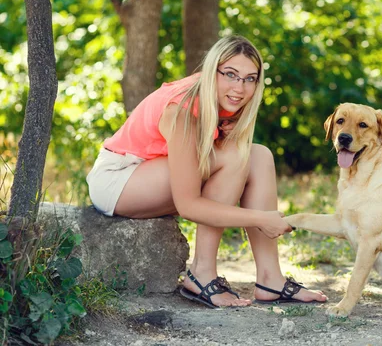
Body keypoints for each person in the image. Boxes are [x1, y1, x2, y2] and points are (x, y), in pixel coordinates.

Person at [86, 35, 327, 308]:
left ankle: (271, 278)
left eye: (250, 78)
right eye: (231, 75)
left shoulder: (217, 102)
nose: (240, 87)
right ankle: (201, 273)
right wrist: (261, 217)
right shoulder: (182, 110)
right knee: (236, 155)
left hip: (150, 175)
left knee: (259, 155)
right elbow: (188, 205)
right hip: (119, 179)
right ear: (213, 71)